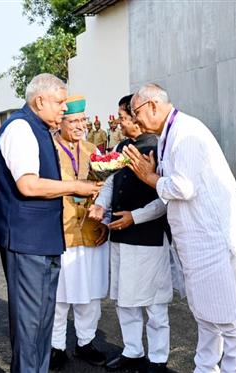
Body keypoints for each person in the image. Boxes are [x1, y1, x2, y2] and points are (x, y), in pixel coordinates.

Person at [124, 84, 236, 373]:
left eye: (136, 113)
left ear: (152, 105)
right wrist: (157, 173)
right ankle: (205, 368)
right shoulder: (167, 135)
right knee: (206, 317)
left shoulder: (185, 133)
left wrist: (150, 177)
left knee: (231, 320)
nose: (135, 121)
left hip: (214, 241)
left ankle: (232, 370)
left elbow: (183, 187)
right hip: (196, 241)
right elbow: (177, 179)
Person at [0, 73, 101, 372]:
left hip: (42, 239)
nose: (64, 109)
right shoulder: (21, 129)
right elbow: (28, 185)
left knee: (41, 321)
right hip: (27, 241)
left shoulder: (38, 128)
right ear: (39, 100)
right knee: (30, 325)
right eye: (59, 102)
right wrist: (75, 186)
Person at [90, 94, 173, 373]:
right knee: (124, 300)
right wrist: (101, 203)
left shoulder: (161, 148)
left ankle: (159, 359)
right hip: (120, 235)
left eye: (124, 117)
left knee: (154, 304)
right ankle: (132, 352)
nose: (122, 123)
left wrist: (134, 218)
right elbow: (112, 182)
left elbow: (166, 198)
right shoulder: (124, 147)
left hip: (147, 238)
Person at [49, 95, 109, 370]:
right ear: (60, 122)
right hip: (60, 233)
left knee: (90, 295)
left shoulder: (93, 150)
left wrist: (105, 222)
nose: (78, 125)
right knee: (60, 296)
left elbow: (107, 189)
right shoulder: (48, 150)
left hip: (91, 231)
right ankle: (56, 346)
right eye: (72, 120)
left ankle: (85, 342)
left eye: (82, 120)